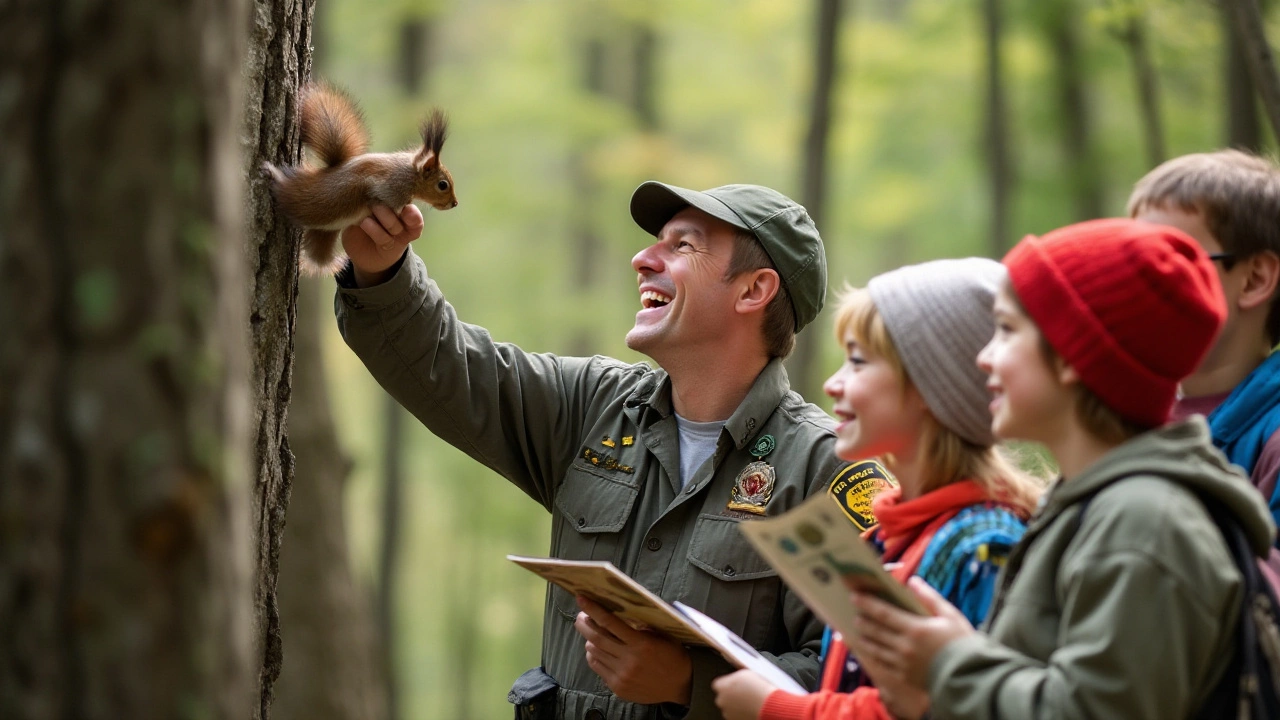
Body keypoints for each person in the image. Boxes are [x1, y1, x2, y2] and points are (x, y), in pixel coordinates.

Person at [334, 184, 887, 719]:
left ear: (752, 291)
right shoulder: (592, 407)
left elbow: (867, 675)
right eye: (657, 241)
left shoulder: (825, 469)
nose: (642, 259)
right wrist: (383, 270)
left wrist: (689, 682)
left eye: (683, 245)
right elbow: (449, 368)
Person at [845, 219, 1276, 720]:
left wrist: (950, 664)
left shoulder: (1143, 523)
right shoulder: (1089, 503)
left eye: (1006, 330)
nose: (984, 358)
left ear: (1074, 354)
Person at [709, 258, 1040, 720]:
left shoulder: (987, 547)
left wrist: (779, 709)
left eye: (859, 362)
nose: (833, 383)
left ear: (933, 385)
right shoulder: (883, 536)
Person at [1127, 150, 1280, 540]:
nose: (1136, 282)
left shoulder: (1272, 439)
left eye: (1168, 259)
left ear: (1254, 280)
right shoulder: (1125, 418)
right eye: (1130, 261)